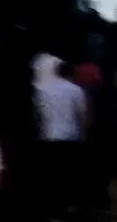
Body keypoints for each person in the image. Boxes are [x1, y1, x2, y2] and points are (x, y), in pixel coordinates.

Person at [33, 57, 90, 213]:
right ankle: (68, 205)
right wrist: (84, 135)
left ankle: (52, 206)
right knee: (69, 174)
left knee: (52, 173)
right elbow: (82, 115)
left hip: (49, 135)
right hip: (71, 136)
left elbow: (38, 114)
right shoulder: (76, 90)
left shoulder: (44, 91)